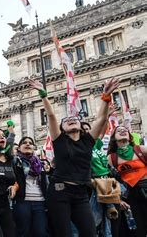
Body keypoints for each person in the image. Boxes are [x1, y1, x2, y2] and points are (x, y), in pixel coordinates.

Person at [29, 78, 119, 237]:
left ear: (81, 126)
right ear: (62, 129)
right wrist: (43, 94)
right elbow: (51, 115)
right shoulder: (59, 140)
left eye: (74, 119)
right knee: (64, 233)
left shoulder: (88, 140)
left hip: (81, 194)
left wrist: (106, 96)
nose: (70, 119)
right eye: (66, 121)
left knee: (90, 232)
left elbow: (101, 119)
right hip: (59, 193)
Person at [108, 126, 147, 237]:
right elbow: (110, 181)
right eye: (118, 130)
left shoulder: (141, 150)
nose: (123, 131)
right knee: (138, 230)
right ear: (114, 138)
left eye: (125, 130)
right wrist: (118, 199)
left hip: (145, 187)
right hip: (130, 196)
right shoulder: (111, 158)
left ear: (129, 137)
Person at [13, 137, 50, 237]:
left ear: (34, 147)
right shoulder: (15, 161)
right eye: (24, 143)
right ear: (19, 148)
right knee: (23, 232)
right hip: (22, 201)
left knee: (41, 232)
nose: (28, 144)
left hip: (40, 202)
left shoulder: (41, 164)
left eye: (30, 143)